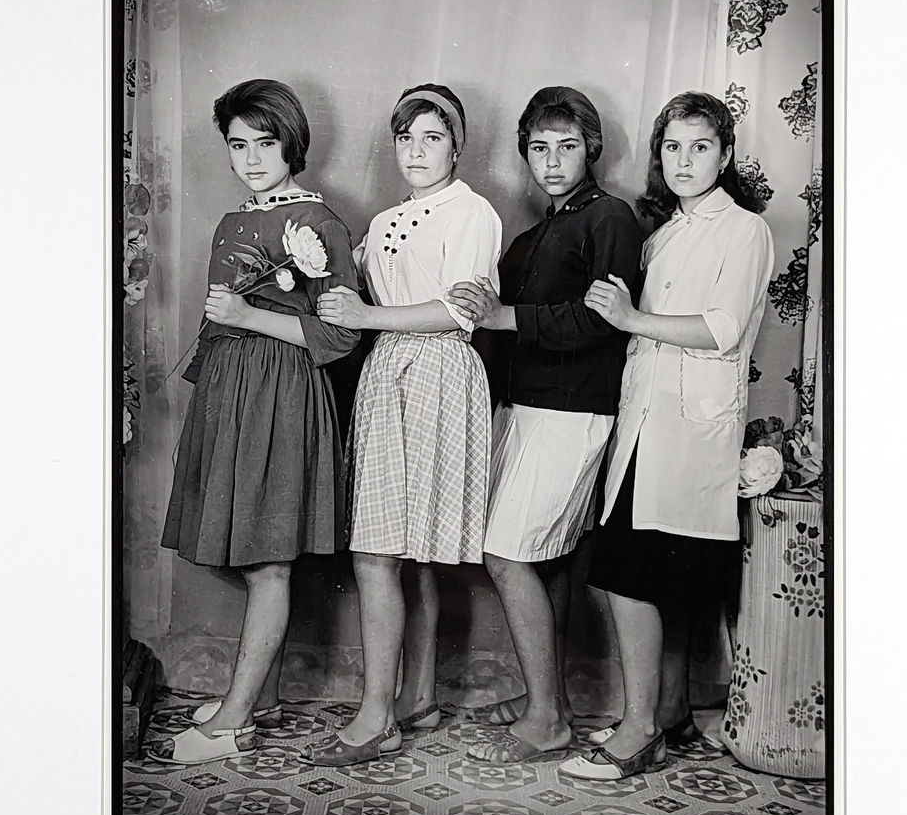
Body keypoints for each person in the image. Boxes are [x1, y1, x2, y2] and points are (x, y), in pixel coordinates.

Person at [558, 90, 774, 781]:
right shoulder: (664, 233)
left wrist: (629, 320)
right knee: (653, 577)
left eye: (700, 146)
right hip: (648, 423)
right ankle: (671, 712)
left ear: (726, 154)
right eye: (673, 147)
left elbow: (721, 329)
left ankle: (638, 729)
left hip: (690, 432)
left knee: (632, 577)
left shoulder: (744, 230)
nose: (684, 160)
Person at [159, 79, 361, 765]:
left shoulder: (319, 222)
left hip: (283, 395)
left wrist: (250, 318)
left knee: (268, 561)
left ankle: (233, 722)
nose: (250, 159)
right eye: (237, 145)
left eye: (264, 143)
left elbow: (340, 338)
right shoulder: (231, 220)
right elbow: (219, 324)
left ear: (291, 143)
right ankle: (259, 695)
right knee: (249, 553)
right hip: (231, 395)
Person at [447, 86, 642, 763]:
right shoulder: (533, 236)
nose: (552, 161)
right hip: (523, 408)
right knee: (544, 558)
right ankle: (546, 696)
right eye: (539, 148)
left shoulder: (610, 218)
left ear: (591, 147)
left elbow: (599, 321)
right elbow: (501, 313)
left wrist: (502, 316)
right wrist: (483, 301)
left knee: (509, 553)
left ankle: (548, 721)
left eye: (566, 146)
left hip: (573, 410)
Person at [312, 84, 502, 765]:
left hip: (436, 371)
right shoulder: (392, 215)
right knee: (399, 547)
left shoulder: (471, 212)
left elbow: (459, 313)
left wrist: (364, 318)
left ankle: (375, 716)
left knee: (379, 551)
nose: (417, 151)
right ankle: (414, 697)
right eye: (406, 138)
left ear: (457, 145)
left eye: (433, 137)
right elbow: (345, 282)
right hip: (387, 371)